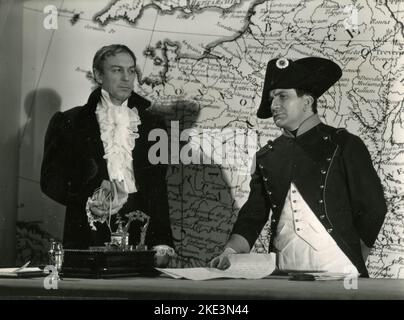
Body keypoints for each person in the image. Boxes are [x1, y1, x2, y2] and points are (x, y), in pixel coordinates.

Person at [210, 57, 387, 277]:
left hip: (340, 274)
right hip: (283, 276)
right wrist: (230, 251)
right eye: (272, 98)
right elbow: (253, 216)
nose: (274, 105)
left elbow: (373, 208)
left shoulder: (343, 144)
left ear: (307, 101)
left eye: (283, 96)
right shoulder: (266, 157)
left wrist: (353, 255)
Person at [40, 44, 174, 265]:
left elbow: (157, 188)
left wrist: (163, 242)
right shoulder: (69, 122)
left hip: (140, 227)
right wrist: (87, 200)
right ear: (98, 75)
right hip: (88, 230)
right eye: (117, 70)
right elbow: (50, 181)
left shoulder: (153, 125)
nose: (127, 78)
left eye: (131, 70)